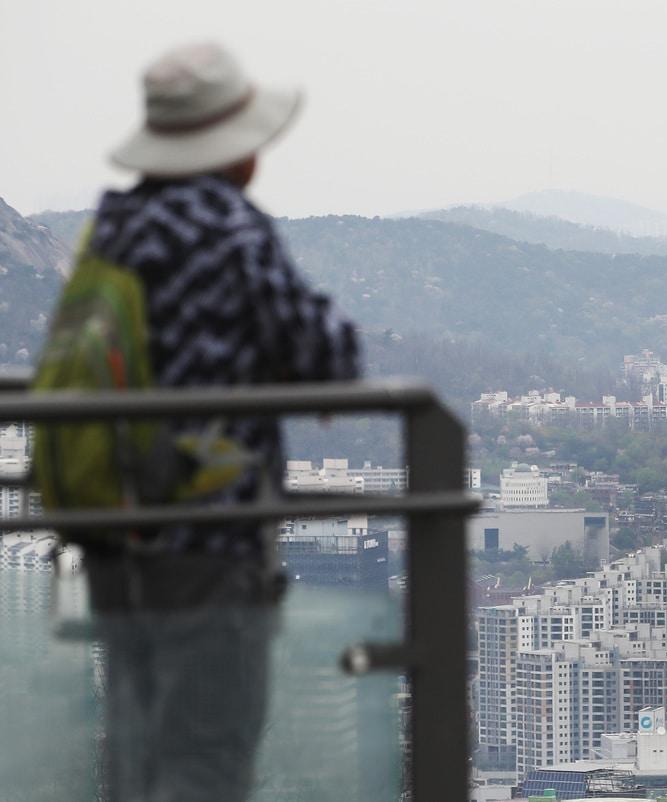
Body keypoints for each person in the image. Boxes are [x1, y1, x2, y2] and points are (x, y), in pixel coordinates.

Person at [81, 42, 360, 801]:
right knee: (208, 752)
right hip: (207, 538)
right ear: (233, 150)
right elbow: (326, 351)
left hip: (114, 538)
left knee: (134, 751)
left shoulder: (115, 228)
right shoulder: (230, 229)